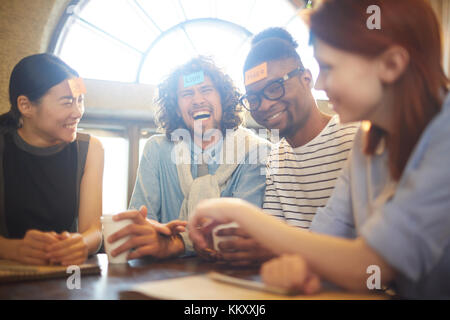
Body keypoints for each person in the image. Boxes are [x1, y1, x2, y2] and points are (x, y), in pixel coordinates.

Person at [188, 0, 450, 299]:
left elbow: (369, 262)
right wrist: (302, 268)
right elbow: (324, 238)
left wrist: (237, 212)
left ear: (391, 64)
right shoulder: (368, 144)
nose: (321, 83)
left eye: (329, 67)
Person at [213, 28, 358, 266]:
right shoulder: (276, 156)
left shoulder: (354, 139)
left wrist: (274, 250)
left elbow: (369, 251)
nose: (265, 105)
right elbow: (271, 234)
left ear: (307, 79)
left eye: (274, 88)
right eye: (254, 98)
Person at [106, 56, 271, 260]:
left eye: (206, 90)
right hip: (163, 274)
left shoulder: (255, 151)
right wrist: (148, 233)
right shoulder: (156, 150)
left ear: (223, 98)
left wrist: (176, 242)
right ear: (177, 108)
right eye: (187, 94)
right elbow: (142, 221)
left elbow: (242, 232)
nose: (198, 100)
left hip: (231, 274)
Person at [0, 53, 104, 266]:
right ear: (25, 105)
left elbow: (94, 230)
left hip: (65, 276)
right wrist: (11, 249)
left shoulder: (91, 149)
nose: (78, 112)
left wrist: (80, 243)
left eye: (80, 101)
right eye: (67, 103)